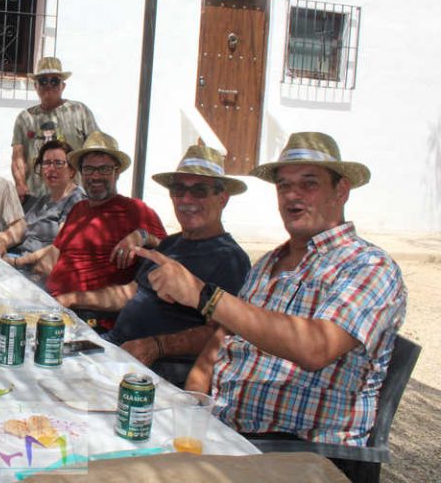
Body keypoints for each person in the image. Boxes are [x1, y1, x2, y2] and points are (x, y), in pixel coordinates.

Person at [146, 133, 405, 480]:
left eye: (309, 184)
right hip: (225, 435)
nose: (292, 195)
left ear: (341, 190)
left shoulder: (368, 266)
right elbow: (221, 341)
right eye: (284, 186)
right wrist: (191, 405)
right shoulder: (269, 263)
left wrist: (205, 296)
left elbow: (316, 347)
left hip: (299, 456)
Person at [55, 145, 250, 385]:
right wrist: (71, 299)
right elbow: (129, 293)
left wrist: (157, 346)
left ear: (222, 199)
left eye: (199, 190)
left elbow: (220, 333)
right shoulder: (170, 244)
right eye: (178, 190)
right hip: (115, 347)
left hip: (155, 370)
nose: (186, 199)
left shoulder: (230, 258)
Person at [34, 131, 166, 329]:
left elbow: (169, 255)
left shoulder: (136, 210)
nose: (95, 176)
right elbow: (55, 255)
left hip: (87, 319)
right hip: (49, 306)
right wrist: (29, 280)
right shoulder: (78, 209)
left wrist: (143, 235)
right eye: (88, 169)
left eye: (104, 169)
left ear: (117, 172)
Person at [11, 57, 99, 203]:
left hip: (73, 197)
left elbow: (95, 150)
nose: (48, 85)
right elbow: (17, 156)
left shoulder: (79, 111)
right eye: (43, 81)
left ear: (63, 86)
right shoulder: (25, 118)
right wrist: (20, 184)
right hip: (35, 197)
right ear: (35, 86)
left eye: (54, 81)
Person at [3, 139, 85, 273]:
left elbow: (61, 245)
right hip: (19, 261)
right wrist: (0, 242)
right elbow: (19, 230)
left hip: (39, 271)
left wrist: (18, 262)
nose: (51, 169)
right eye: (46, 163)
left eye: (58, 163)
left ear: (71, 170)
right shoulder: (44, 200)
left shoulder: (76, 200)